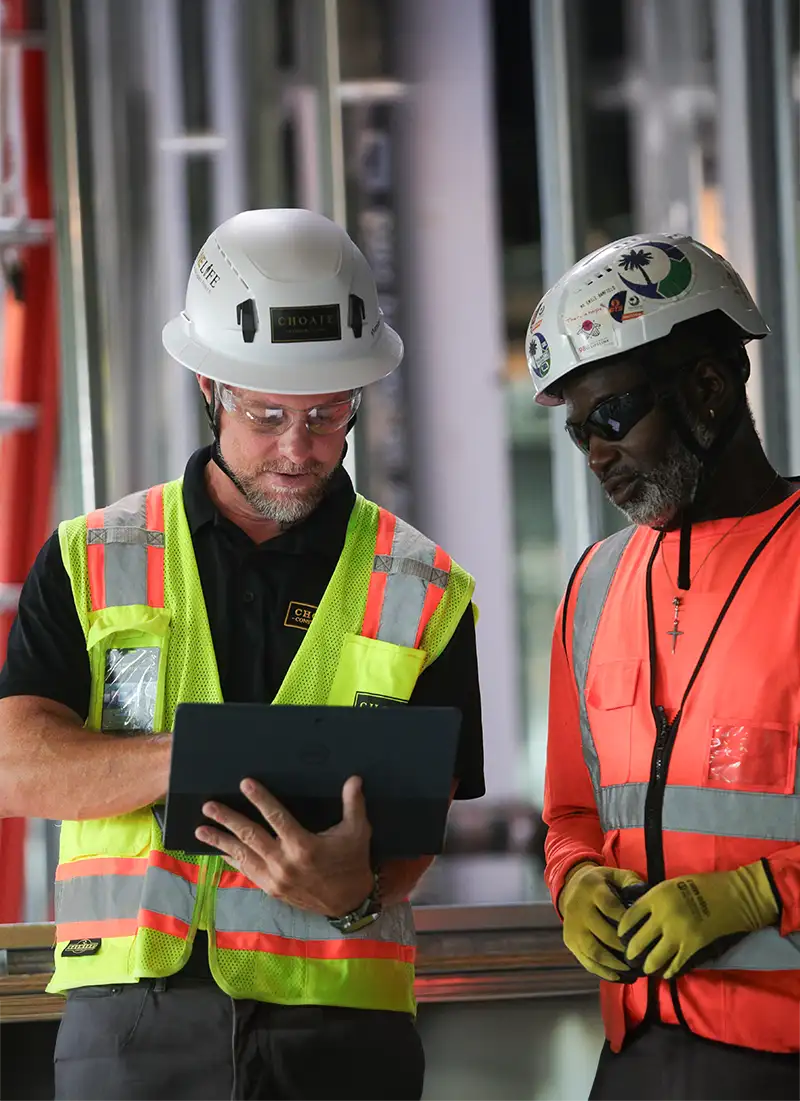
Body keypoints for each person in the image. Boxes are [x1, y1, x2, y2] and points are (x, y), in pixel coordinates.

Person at [0, 208, 485, 1101]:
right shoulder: (92, 555)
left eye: (326, 415)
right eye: (268, 415)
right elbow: (15, 767)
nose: (298, 449)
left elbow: (422, 825)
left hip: (342, 1033)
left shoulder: (427, 588)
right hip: (133, 1023)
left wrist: (354, 890)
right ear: (209, 387)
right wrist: (190, 761)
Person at [528, 233, 800, 1100]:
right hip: (639, 1058)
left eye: (613, 417)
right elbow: (570, 811)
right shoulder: (596, 586)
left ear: (710, 389)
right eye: (578, 432)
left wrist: (756, 895)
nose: (596, 454)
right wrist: (573, 884)